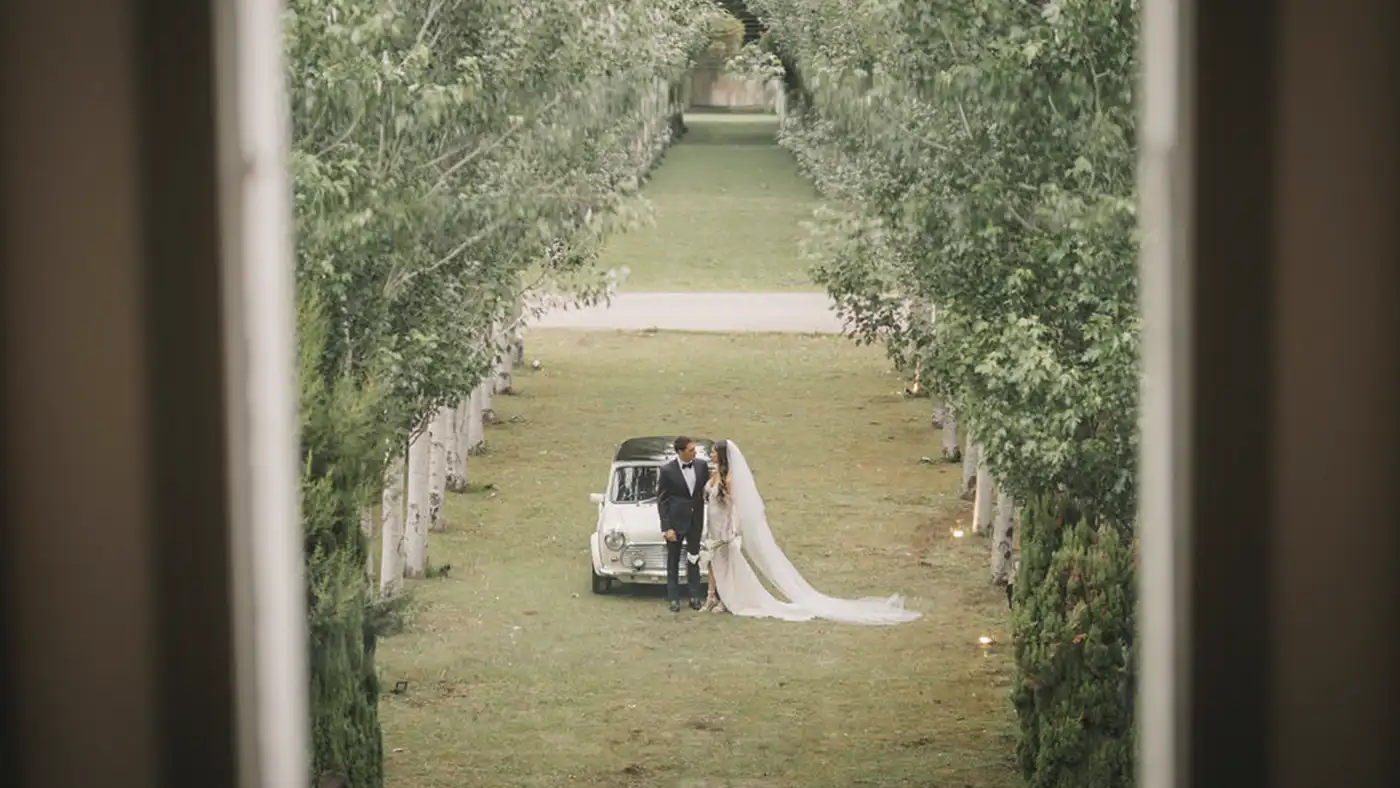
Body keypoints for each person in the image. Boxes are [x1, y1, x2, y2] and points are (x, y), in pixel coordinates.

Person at [701, 439, 922, 625]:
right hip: (712, 525)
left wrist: (732, 529)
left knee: (727, 562)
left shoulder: (729, 480)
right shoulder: (714, 475)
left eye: (713, 452)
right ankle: (715, 596)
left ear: (722, 455)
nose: (711, 454)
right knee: (714, 561)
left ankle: (727, 598)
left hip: (723, 528)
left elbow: (736, 507)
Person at [655, 435, 707, 612]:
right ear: (680, 452)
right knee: (673, 560)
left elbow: (705, 491)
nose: (695, 453)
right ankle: (674, 598)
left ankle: (694, 595)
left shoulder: (701, 466)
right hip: (676, 522)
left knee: (694, 558)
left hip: (695, 521)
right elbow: (662, 500)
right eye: (691, 450)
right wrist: (666, 526)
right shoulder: (668, 471)